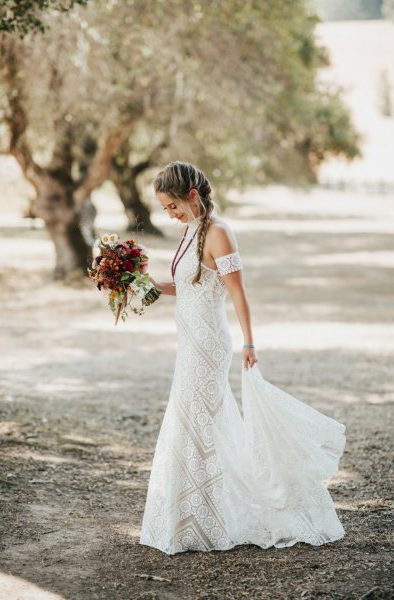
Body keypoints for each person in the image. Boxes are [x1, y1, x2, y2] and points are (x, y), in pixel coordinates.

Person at [139, 161, 346, 555]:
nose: (170, 214)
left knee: (196, 420)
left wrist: (249, 343)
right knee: (192, 422)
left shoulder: (219, 233)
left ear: (193, 196)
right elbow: (188, 286)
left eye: (172, 205)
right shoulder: (189, 232)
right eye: (165, 209)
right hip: (188, 343)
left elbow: (236, 292)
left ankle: (205, 517)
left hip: (210, 346)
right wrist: (143, 284)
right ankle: (192, 517)